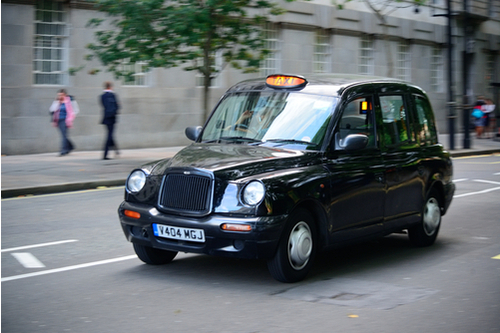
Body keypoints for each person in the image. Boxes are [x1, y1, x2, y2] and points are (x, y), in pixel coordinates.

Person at [50, 89, 78, 156]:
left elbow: (76, 109)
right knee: (64, 135)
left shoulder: (70, 100)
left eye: (61, 95)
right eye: (59, 95)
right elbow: (52, 110)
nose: (60, 96)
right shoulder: (57, 101)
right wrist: (56, 102)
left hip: (66, 120)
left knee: (63, 135)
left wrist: (71, 117)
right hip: (58, 120)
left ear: (65, 95)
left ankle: (63, 150)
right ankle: (71, 146)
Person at [100, 81, 120, 160]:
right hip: (112, 118)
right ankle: (105, 154)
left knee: (110, 134)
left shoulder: (102, 96)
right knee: (109, 135)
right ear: (111, 87)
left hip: (106, 117)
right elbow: (118, 106)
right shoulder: (113, 95)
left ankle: (116, 150)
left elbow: (103, 105)